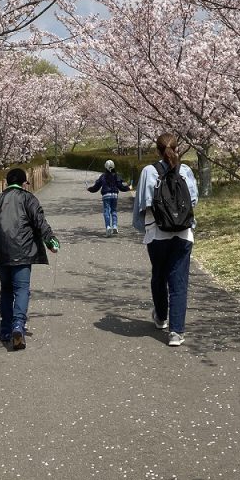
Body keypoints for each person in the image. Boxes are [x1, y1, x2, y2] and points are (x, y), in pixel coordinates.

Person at [0, 167, 59, 351]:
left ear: (7, 183)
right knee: (22, 289)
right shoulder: (28, 198)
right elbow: (40, 222)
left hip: (1, 252)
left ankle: (6, 330)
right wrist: (51, 241)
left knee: (6, 290)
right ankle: (18, 326)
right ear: (24, 183)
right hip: (23, 251)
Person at [132, 133, 198, 346]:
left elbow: (142, 203)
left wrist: (143, 227)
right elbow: (193, 200)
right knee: (178, 281)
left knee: (159, 275)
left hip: (157, 234)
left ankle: (161, 317)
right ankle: (176, 332)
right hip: (183, 234)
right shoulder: (186, 171)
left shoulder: (149, 172)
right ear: (177, 149)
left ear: (157, 151)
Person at [87, 159, 131, 236]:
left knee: (106, 211)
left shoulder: (102, 176)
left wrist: (89, 189)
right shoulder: (117, 176)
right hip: (114, 195)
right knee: (113, 210)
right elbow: (121, 187)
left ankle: (108, 227)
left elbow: (96, 187)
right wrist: (128, 188)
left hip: (106, 195)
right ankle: (114, 226)